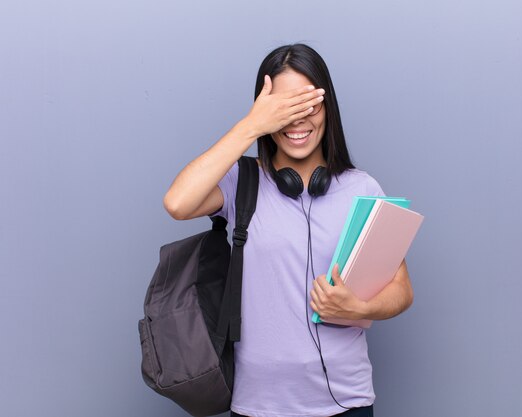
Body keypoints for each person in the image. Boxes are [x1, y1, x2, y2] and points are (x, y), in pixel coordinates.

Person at [163, 43, 414, 417]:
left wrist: (360, 307)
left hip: (348, 402)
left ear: (328, 109)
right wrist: (251, 125)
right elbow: (178, 203)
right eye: (284, 108)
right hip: (258, 406)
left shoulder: (363, 189)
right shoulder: (239, 183)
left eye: (308, 105)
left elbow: (401, 290)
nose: (297, 120)